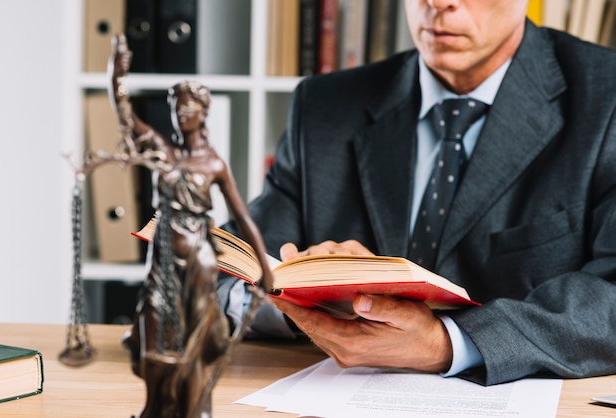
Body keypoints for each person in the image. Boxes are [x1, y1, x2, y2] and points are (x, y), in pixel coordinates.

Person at [219, 0, 616, 386]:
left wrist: (445, 344)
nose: (439, 3)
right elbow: (224, 270)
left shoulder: (606, 99)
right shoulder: (324, 107)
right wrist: (308, 301)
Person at [108, 35, 275, 417]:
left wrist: (264, 271)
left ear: (203, 111)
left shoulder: (214, 164)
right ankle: (156, 409)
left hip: (199, 263)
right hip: (163, 259)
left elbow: (244, 216)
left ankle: (194, 409)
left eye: (187, 107)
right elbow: (125, 116)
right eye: (174, 107)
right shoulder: (163, 152)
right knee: (153, 339)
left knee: (194, 347)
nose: (179, 113)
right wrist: (117, 74)